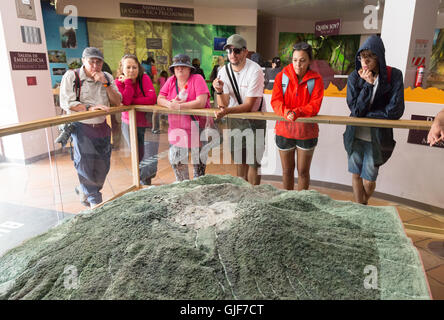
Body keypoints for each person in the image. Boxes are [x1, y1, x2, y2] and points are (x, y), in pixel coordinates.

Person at [343, 35, 405, 205]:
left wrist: (367, 116)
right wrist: (368, 86)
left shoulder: (394, 76)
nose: (365, 61)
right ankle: (360, 209)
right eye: (362, 56)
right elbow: (355, 110)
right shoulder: (354, 78)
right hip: (355, 134)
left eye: (370, 57)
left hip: (377, 137)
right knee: (355, 174)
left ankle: (362, 205)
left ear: (379, 56)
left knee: (369, 180)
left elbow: (395, 110)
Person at [59, 47, 122, 208]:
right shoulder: (71, 76)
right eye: (91, 61)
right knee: (85, 165)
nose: (95, 65)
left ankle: (84, 190)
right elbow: (67, 102)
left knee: (103, 166)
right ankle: (95, 201)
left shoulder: (107, 76)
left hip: (102, 126)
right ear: (83, 61)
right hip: (82, 127)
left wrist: (106, 84)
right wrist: (88, 108)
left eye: (98, 61)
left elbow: (117, 101)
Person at [212, 34, 266, 186]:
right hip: (236, 119)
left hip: (256, 119)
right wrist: (219, 91)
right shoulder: (223, 71)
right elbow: (223, 103)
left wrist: (226, 111)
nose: (232, 54)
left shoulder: (255, 70)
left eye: (236, 51)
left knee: (254, 162)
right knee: (239, 160)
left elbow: (249, 106)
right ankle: (241, 195)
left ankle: (254, 196)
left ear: (245, 52)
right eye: (229, 51)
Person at [271, 42, 324, 191]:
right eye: (295, 60)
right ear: (291, 60)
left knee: (303, 172)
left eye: (302, 60)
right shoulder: (281, 77)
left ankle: (301, 205)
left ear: (309, 61)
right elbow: (275, 101)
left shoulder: (316, 79)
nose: (298, 64)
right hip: (284, 130)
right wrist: (286, 112)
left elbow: (315, 105)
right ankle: (287, 204)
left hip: (306, 132)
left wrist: (297, 112)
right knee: (287, 172)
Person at [157, 54, 211, 181]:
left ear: (189, 69)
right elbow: (160, 98)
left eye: (183, 66)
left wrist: (180, 107)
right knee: (179, 169)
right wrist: (170, 104)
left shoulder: (197, 79)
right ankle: (184, 191)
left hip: (197, 128)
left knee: (199, 171)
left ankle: (198, 192)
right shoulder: (171, 81)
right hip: (177, 130)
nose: (180, 69)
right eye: (177, 67)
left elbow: (201, 101)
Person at [114, 54, 159, 186]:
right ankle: (142, 181)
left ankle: (146, 180)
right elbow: (126, 101)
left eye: (134, 67)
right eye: (128, 67)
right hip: (129, 124)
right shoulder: (118, 82)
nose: (131, 70)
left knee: (150, 154)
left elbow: (151, 99)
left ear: (139, 68)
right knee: (138, 154)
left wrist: (131, 103)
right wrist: (128, 83)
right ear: (122, 68)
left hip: (147, 123)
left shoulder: (144, 78)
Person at [152, 70, 169, 134]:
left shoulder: (160, 78)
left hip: (161, 97)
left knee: (157, 111)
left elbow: (156, 82)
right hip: (167, 97)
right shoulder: (168, 79)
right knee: (164, 111)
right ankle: (164, 123)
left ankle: (155, 128)